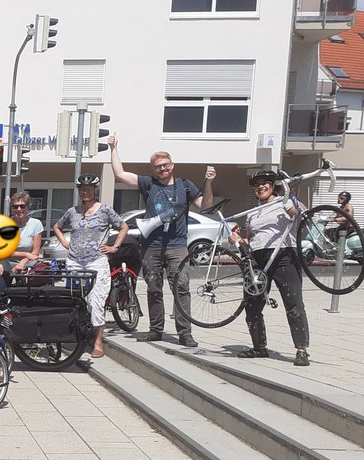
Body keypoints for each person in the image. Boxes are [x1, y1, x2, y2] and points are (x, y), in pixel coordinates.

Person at [110, 133, 214, 347]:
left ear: (172, 165)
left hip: (177, 246)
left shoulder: (185, 185)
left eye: (166, 165)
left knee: (181, 288)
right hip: (152, 247)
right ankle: (156, 330)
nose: (162, 169)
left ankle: (185, 333)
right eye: (158, 166)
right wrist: (113, 148)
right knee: (153, 288)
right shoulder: (149, 184)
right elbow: (120, 174)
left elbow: (205, 205)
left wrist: (209, 183)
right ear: (153, 169)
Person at [233, 171, 310, 366]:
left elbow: (300, 214)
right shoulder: (252, 212)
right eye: (257, 185)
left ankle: (301, 350)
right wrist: (238, 239)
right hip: (258, 259)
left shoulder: (284, 202)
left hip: (284, 255)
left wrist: (291, 195)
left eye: (264, 183)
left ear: (272, 185)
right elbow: (248, 238)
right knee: (252, 305)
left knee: (293, 303)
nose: (260, 187)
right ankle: (259, 347)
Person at [53, 174, 128, 359]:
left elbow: (123, 227)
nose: (85, 192)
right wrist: (64, 242)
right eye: (82, 189)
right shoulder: (72, 212)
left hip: (96, 261)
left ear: (95, 190)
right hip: (75, 261)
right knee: (77, 299)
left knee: (96, 300)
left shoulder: (104, 210)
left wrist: (114, 247)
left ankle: (98, 342)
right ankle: (79, 333)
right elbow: (57, 226)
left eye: (88, 189)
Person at [5, 191, 43, 274]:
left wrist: (23, 262)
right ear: (11, 208)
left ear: (27, 207)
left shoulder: (36, 224)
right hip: (6, 263)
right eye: (15, 207)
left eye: (22, 206)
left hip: (27, 263)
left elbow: (35, 252)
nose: (19, 209)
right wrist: (26, 254)